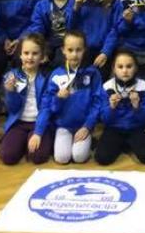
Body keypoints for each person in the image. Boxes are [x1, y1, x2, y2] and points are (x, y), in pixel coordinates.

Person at [43, 31, 102, 164]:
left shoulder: (93, 73)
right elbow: (49, 106)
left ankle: (88, 139)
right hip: (63, 126)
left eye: (78, 50)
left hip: (83, 125)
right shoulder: (56, 75)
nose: (74, 54)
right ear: (63, 50)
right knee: (62, 158)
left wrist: (87, 126)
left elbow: (97, 102)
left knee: (79, 157)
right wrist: (58, 98)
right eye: (70, 50)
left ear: (84, 50)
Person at [0, 33, 54, 165]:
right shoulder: (11, 76)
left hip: (39, 123)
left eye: (35, 53)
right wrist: (11, 92)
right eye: (26, 53)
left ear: (42, 57)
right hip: (18, 123)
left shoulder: (48, 78)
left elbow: (46, 108)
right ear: (20, 55)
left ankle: (34, 140)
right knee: (8, 157)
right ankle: (22, 141)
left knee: (38, 157)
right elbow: (12, 109)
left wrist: (38, 133)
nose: (30, 57)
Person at [95, 50, 145, 165]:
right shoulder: (107, 87)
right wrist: (111, 108)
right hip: (114, 127)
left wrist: (137, 107)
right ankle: (123, 144)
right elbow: (104, 119)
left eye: (129, 66)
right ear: (114, 69)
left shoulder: (143, 86)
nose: (124, 71)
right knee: (102, 158)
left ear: (136, 68)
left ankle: (128, 143)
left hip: (136, 127)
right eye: (120, 67)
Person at [28, 0, 75, 65]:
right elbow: (37, 29)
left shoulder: (76, 1)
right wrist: (41, 50)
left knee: (60, 59)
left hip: (72, 44)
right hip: (49, 44)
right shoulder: (41, 5)